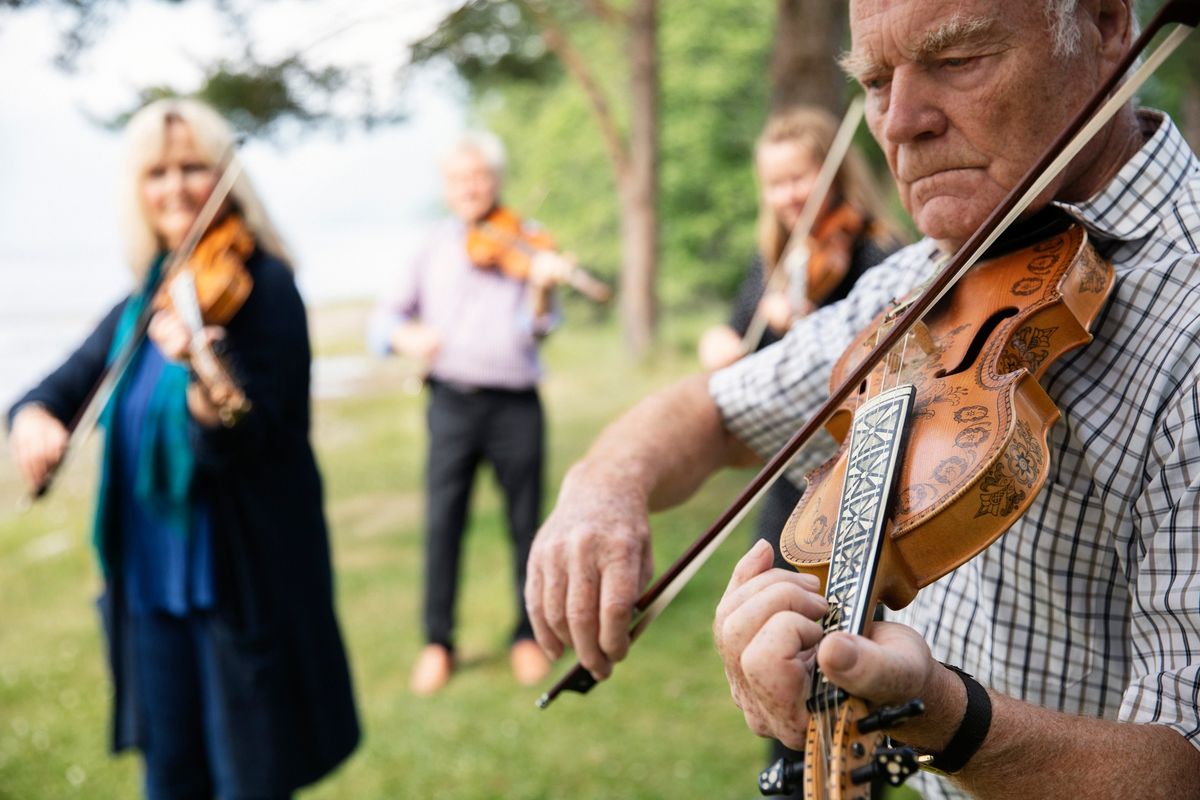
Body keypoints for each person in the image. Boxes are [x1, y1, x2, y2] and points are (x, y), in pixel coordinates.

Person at [524, 2, 1200, 798]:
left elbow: (1183, 764)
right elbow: (715, 408)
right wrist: (604, 484)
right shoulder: (925, 279)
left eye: (957, 60)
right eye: (876, 81)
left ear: (1106, 24)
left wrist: (946, 719)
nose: (901, 122)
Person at [7, 98, 359, 799]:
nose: (175, 188)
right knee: (168, 778)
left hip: (237, 584)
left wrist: (203, 371)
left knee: (249, 780)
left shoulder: (266, 289)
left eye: (193, 167)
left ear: (224, 176)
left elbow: (249, 436)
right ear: (137, 190)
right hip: (149, 588)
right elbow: (55, 386)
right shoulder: (145, 298)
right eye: (157, 172)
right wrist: (33, 418)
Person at [696, 105, 900, 792]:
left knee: (840, 655)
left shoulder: (876, 258)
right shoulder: (774, 263)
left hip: (854, 491)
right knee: (773, 641)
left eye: (800, 177)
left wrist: (803, 326)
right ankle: (788, 769)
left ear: (833, 173)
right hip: (786, 485)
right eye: (775, 183)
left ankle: (848, 774)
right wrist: (721, 347)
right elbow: (733, 340)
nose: (789, 196)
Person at [369, 130, 568, 695]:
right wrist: (407, 336)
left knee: (526, 524)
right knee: (443, 522)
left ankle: (527, 635)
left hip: (515, 404)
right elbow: (382, 322)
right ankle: (438, 642)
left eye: (479, 176)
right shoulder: (430, 247)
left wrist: (543, 290)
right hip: (451, 402)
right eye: (459, 179)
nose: (470, 187)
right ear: (446, 187)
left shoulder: (526, 241)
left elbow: (538, 329)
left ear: (496, 180)